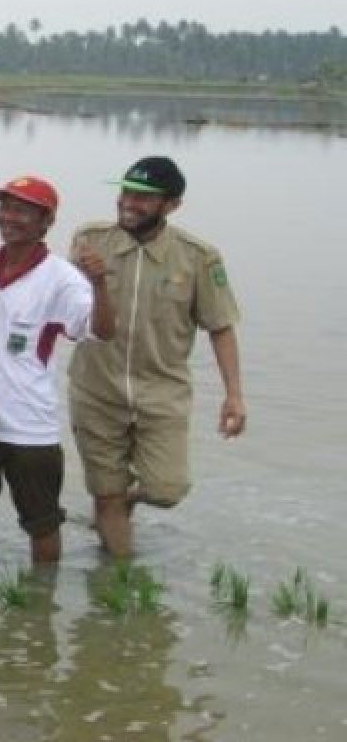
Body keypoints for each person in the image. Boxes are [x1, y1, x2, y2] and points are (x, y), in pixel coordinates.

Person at [68, 156, 245, 557]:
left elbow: (220, 327)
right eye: (126, 192)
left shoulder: (198, 257)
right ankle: (120, 585)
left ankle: (124, 505)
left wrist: (233, 395)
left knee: (167, 489)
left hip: (162, 392)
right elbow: (66, 310)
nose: (130, 202)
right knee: (105, 492)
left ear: (172, 204)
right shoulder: (89, 240)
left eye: (144, 197)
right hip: (96, 390)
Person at [0, 176, 114, 563]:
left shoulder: (62, 279)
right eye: (5, 207)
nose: (9, 217)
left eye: (23, 211)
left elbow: (102, 331)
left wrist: (100, 283)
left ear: (47, 222)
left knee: (42, 523)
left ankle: (42, 604)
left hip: (30, 428)